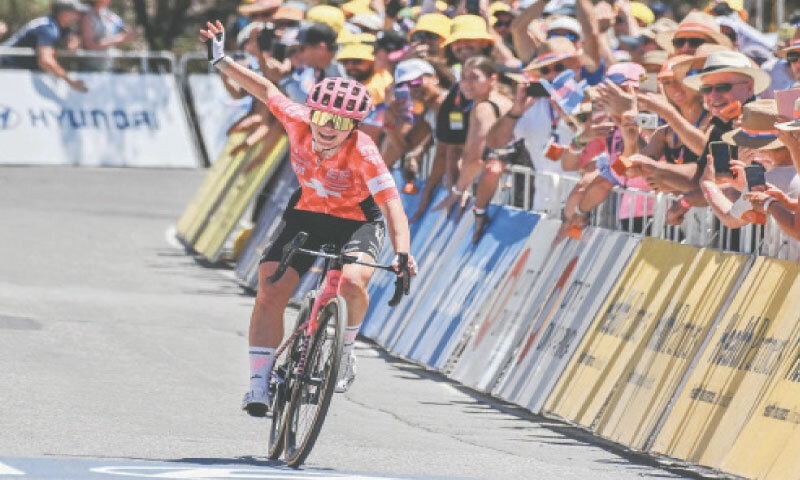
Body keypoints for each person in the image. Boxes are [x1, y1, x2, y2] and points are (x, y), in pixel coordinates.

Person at [199, 20, 417, 417]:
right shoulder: (297, 119)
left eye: (342, 123)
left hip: (357, 221)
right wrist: (222, 59)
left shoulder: (364, 152)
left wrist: (403, 252)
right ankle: (258, 383)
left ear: (354, 126)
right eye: (324, 119)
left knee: (351, 282)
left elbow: (392, 206)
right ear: (311, 112)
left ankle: (346, 349)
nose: (329, 129)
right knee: (270, 289)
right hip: (307, 213)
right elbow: (265, 89)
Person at [430, 55, 513, 241]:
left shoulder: (484, 109)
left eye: (474, 77)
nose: (467, 84)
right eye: (464, 78)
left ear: (493, 79)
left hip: (508, 188)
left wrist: (457, 192)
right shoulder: (501, 100)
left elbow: (474, 157)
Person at [1, 0, 89, 92]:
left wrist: (72, 41)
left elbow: (72, 43)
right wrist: (70, 81)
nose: (78, 17)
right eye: (76, 13)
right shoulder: (47, 28)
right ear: (64, 13)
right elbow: (45, 61)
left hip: (18, 70)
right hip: (8, 67)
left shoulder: (60, 26)